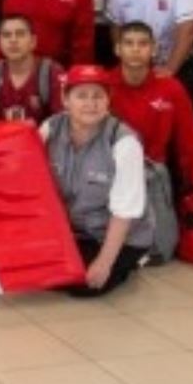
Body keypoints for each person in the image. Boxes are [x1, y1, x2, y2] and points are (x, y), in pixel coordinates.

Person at [40, 65, 151, 298]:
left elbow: (124, 212)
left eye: (98, 96)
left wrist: (104, 263)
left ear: (108, 100)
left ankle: (134, 259)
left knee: (85, 285)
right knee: (33, 272)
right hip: (72, 231)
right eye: (81, 96)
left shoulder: (124, 142)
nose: (90, 104)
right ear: (65, 99)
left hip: (114, 235)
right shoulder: (50, 128)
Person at [105, 21, 193, 190]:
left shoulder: (170, 88)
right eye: (129, 43)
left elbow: (191, 141)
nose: (136, 49)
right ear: (117, 49)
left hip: (155, 174)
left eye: (143, 43)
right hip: (110, 172)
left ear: (154, 49)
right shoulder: (103, 87)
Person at [0, 14, 64, 124]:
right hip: (1, 140)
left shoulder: (52, 74)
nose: (13, 40)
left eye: (20, 34)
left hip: (41, 140)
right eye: (6, 35)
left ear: (33, 42)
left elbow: (65, 124)